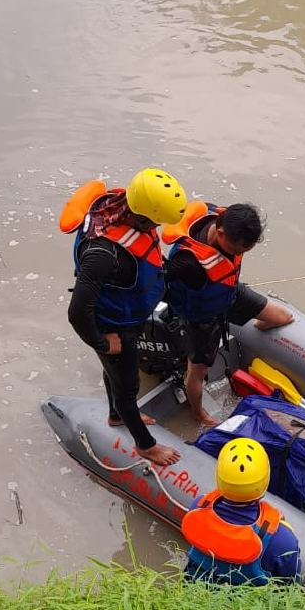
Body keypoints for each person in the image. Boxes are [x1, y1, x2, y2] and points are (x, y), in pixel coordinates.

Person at [61, 168, 187, 467]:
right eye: (157, 222)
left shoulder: (124, 208)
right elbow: (77, 311)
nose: (158, 226)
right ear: (143, 217)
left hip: (129, 316)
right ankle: (145, 445)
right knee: (127, 385)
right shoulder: (103, 254)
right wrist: (103, 343)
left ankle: (116, 414)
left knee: (117, 376)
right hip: (113, 327)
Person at [162, 200, 294, 425]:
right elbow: (159, 284)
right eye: (237, 250)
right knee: (198, 373)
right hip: (201, 316)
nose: (239, 254)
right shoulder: (188, 264)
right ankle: (197, 413)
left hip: (228, 293)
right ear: (220, 233)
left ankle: (244, 329)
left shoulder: (220, 217)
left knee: (282, 317)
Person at [181, 437, 301, 585]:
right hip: (240, 606)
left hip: (194, 591)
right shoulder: (282, 539)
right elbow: (289, 586)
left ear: (219, 476)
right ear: (265, 478)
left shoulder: (198, 506)